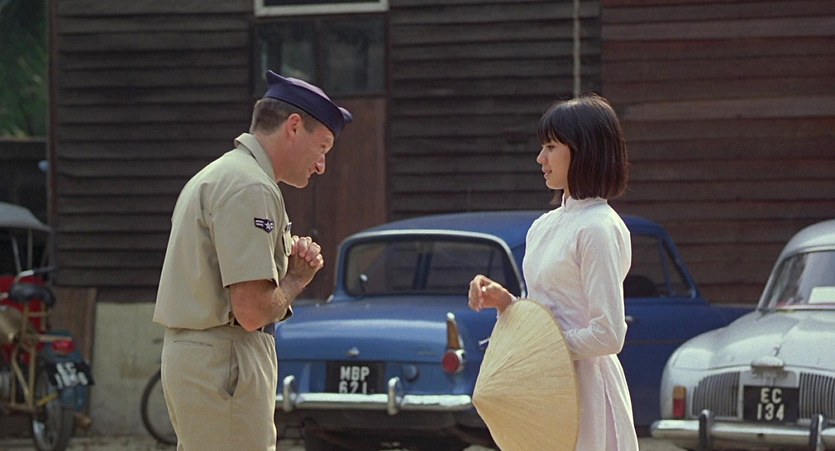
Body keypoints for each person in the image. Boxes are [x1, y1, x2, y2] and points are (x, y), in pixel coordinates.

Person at [153, 70, 352, 450]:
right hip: (227, 359)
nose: (321, 165)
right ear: (294, 127)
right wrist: (296, 278)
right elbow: (252, 311)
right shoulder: (250, 186)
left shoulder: (222, 174)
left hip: (205, 358)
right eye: (322, 147)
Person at [468, 94, 639, 450]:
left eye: (550, 147)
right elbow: (547, 312)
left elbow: (609, 334)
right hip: (545, 388)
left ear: (582, 150)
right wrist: (507, 303)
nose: (540, 158)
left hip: (587, 393)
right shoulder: (543, 226)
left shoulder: (599, 227)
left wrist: (543, 350)